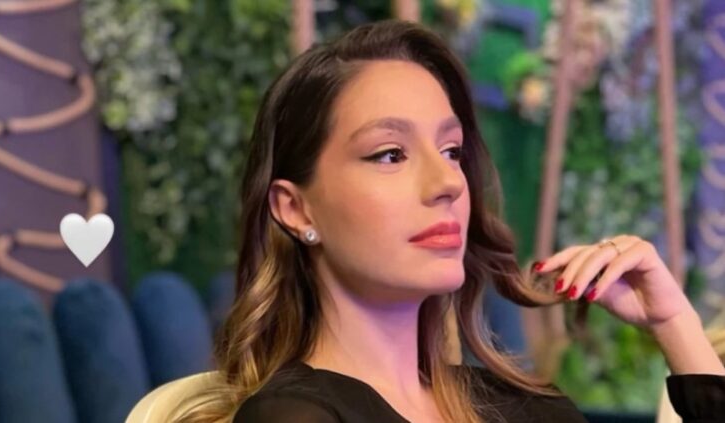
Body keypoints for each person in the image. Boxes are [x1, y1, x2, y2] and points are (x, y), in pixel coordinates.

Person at [176, 19, 725, 423]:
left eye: (452, 151)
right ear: (295, 209)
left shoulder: (529, 408)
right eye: (390, 154)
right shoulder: (294, 418)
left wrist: (674, 324)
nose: (448, 183)